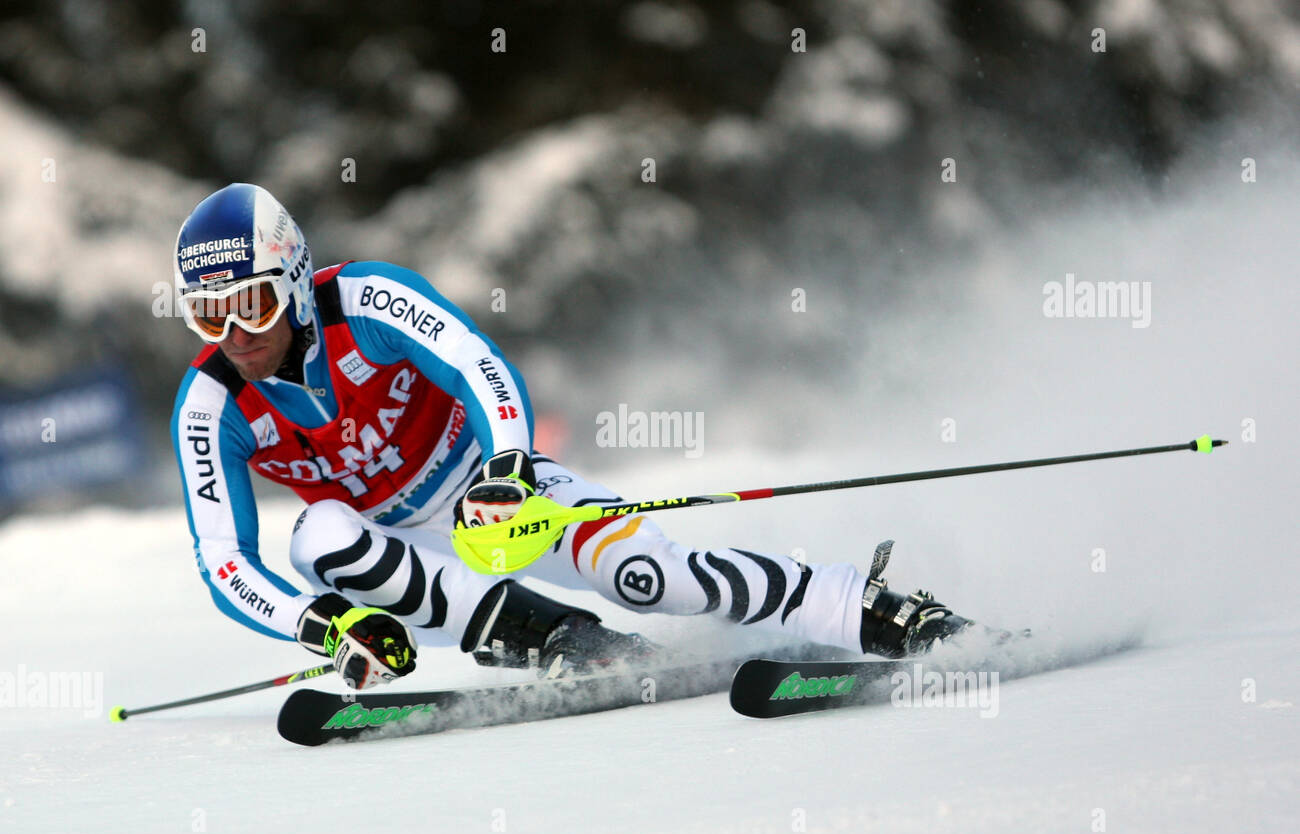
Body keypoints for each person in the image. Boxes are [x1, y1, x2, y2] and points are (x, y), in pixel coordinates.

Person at [171, 183, 970, 690]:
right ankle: (553, 637)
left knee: (644, 573)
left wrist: (507, 467)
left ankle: (866, 612)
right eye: (209, 313)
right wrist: (326, 626)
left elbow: (477, 367)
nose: (236, 332)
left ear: (294, 282)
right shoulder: (210, 404)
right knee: (318, 533)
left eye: (253, 303)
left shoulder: (368, 299)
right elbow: (224, 560)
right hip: (387, 556)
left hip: (485, 496)